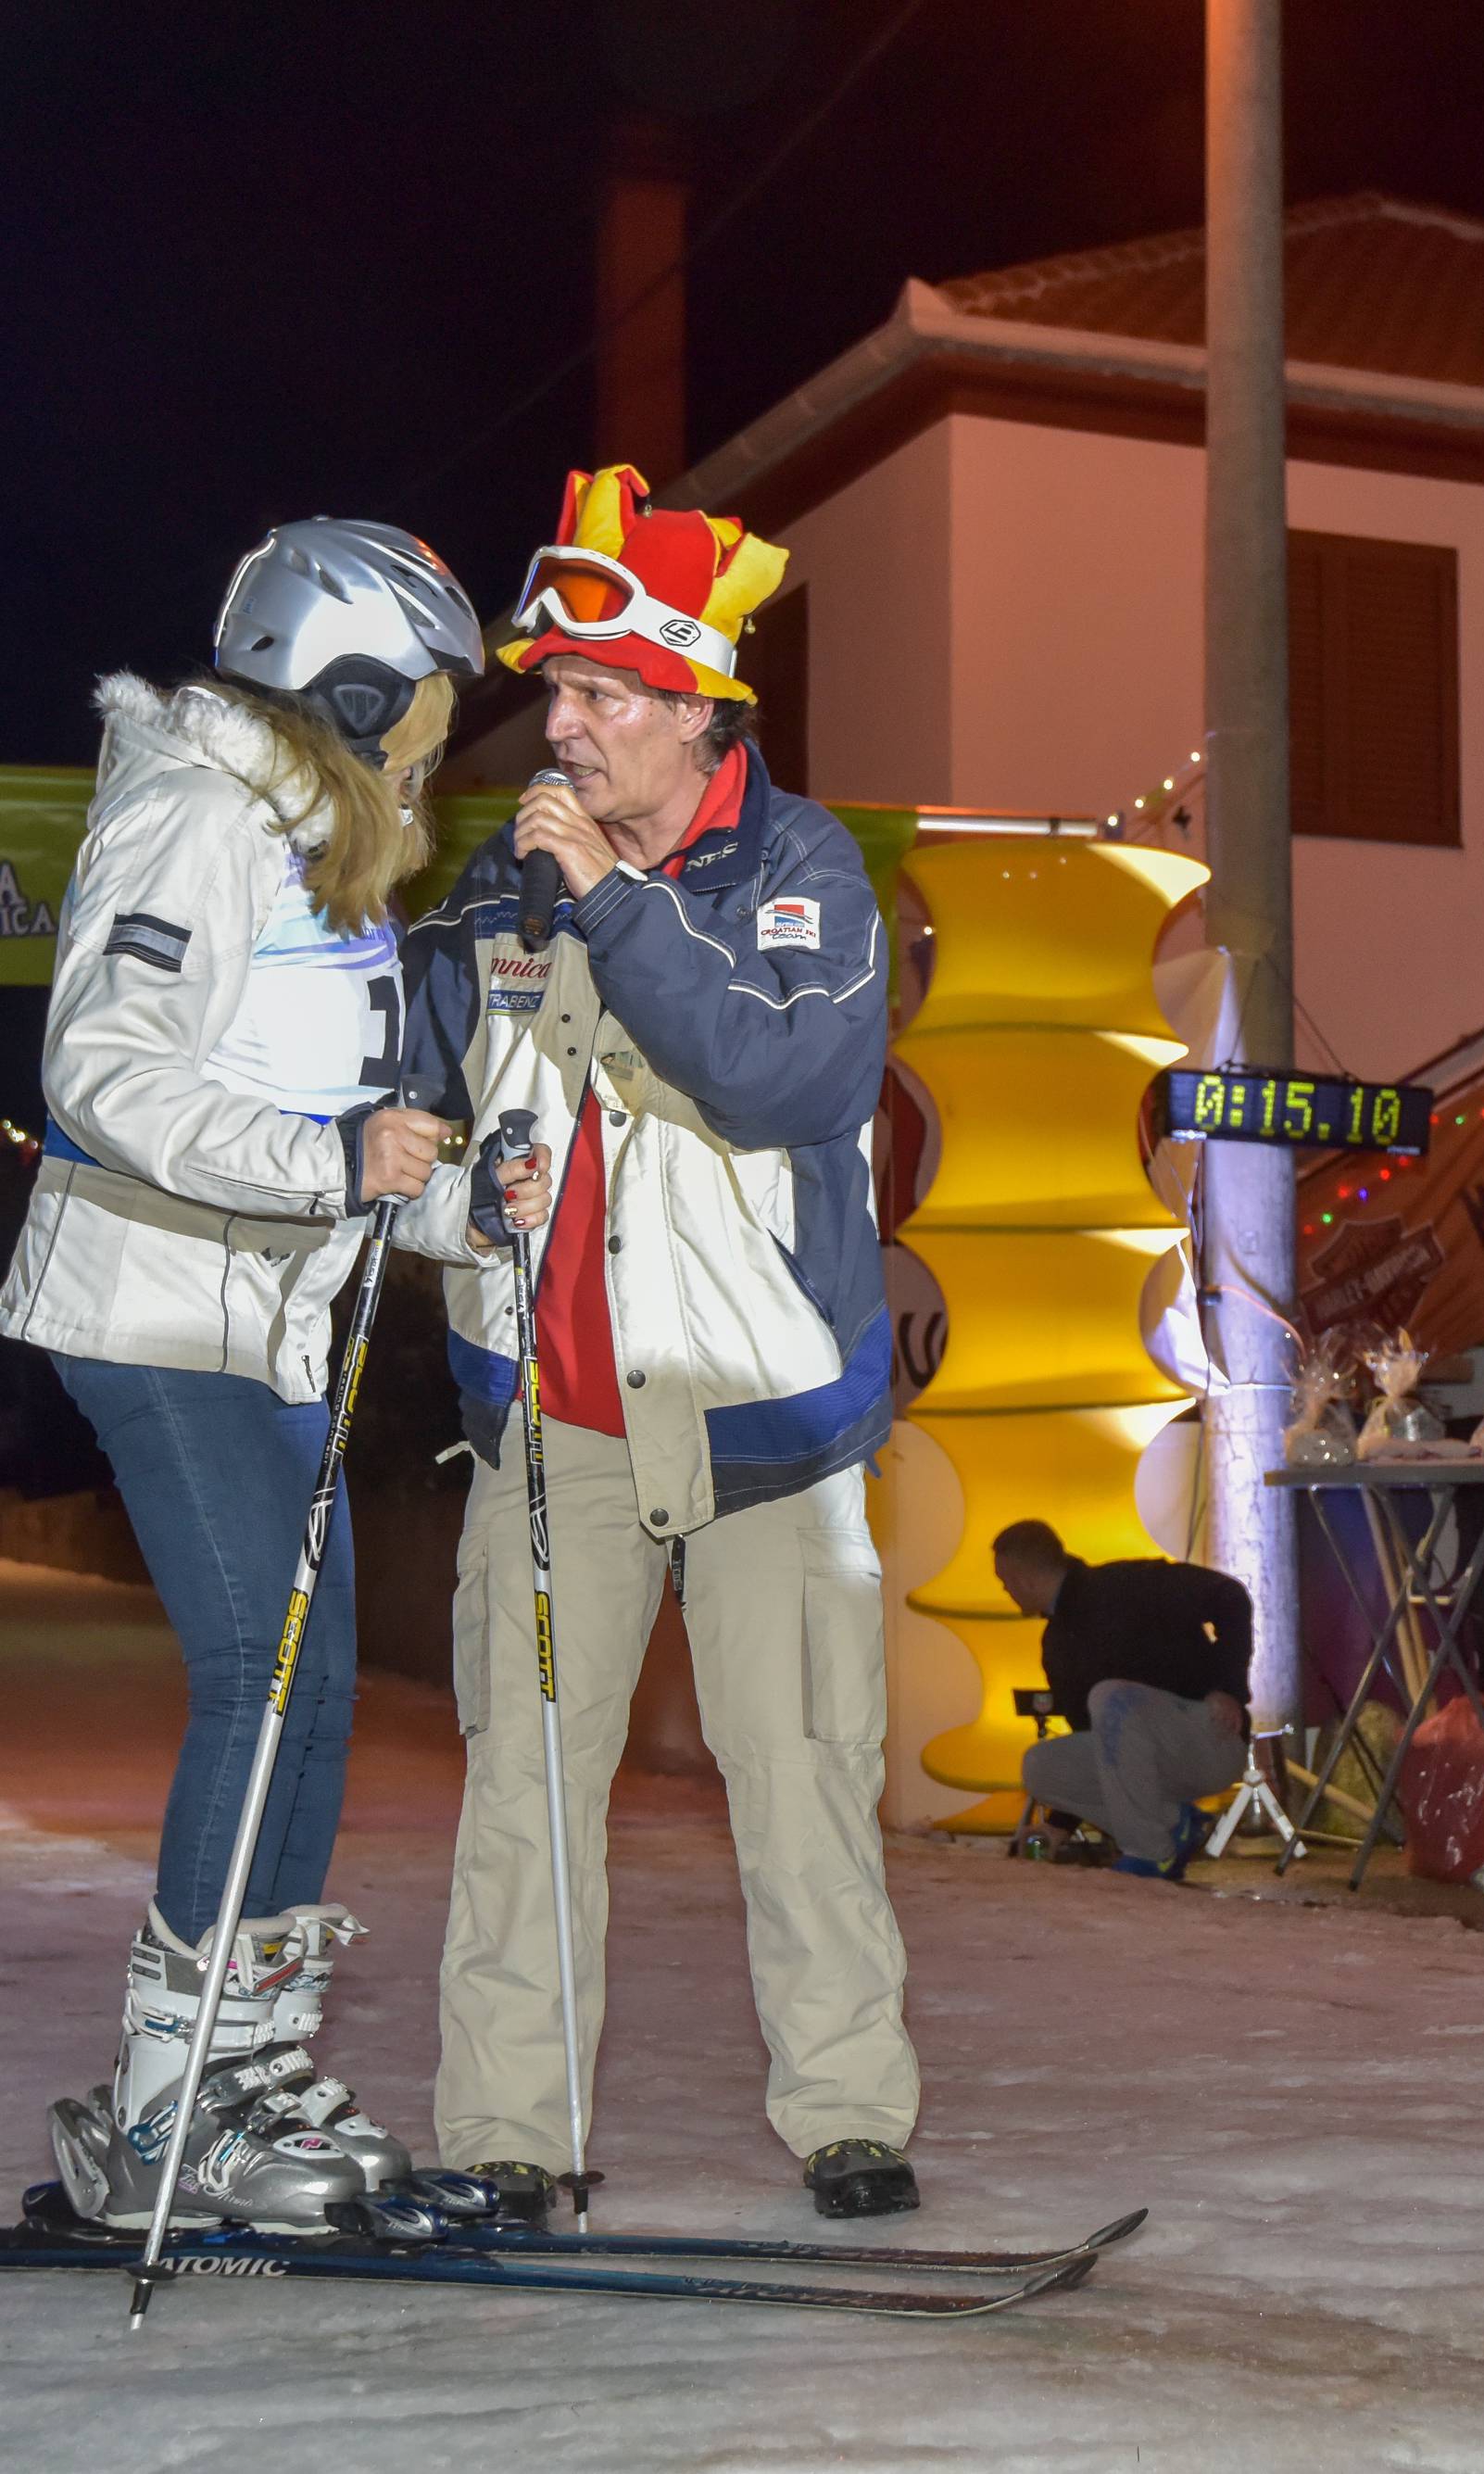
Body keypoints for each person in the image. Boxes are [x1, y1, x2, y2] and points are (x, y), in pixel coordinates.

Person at [0, 519, 548, 2233]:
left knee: (305, 1692)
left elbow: (347, 1138)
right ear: (350, 681)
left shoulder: (317, 845)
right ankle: (171, 2112)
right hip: (155, 1311)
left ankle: (236, 2075)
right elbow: (101, 1071)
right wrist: (333, 1157)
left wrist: (465, 1202)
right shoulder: (190, 813)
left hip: (271, 1322)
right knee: (265, 1670)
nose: (439, 741)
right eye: (424, 707)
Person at [396, 463, 920, 2222]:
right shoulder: (494, 893)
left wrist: (615, 909)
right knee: (524, 1799)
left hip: (770, 1419)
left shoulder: (802, 866)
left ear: (696, 711)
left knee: (801, 1779)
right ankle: (506, 2143)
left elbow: (790, 1075)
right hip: (555, 1427)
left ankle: (851, 2112)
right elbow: (417, 1146)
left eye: (603, 697)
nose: (561, 727)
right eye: (555, 692)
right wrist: (455, 1197)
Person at [993, 1519, 1252, 1880]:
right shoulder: (1057, 1647)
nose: (1008, 1593)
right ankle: (1174, 1823)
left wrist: (1228, 1689)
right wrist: (1058, 1827)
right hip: (1149, 1767)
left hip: (1210, 1738)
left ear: (1025, 1579)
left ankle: (1151, 1854)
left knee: (1110, 1698)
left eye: (1006, 1584)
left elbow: (1229, 1597)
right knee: (1040, 1767)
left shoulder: (1127, 1584)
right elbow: (1097, 1744)